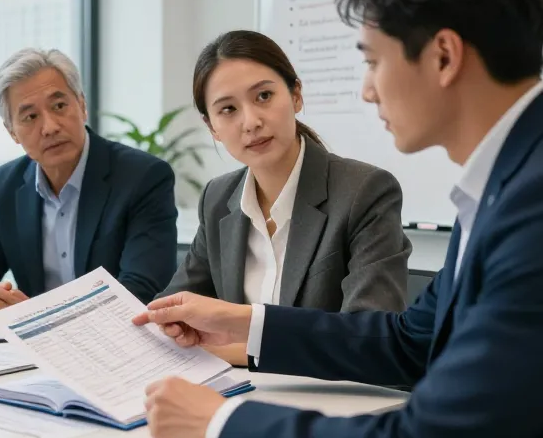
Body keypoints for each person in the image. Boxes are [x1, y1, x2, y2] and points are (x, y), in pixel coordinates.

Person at [134, 0, 543, 438]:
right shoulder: (507, 183)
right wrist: (241, 322)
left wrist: (220, 423)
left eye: (374, 60)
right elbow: (407, 343)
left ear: (443, 56)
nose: (367, 89)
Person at [156, 30, 411, 366]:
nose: (251, 122)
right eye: (228, 109)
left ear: (295, 95)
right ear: (212, 128)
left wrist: (232, 350)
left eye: (263, 96)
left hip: (332, 403)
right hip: (236, 394)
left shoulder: (365, 191)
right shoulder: (218, 198)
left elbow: (367, 337)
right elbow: (172, 310)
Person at [0, 48, 178, 327]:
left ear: (81, 106)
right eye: (30, 117)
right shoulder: (5, 185)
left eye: (59, 106)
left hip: (115, 347)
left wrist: (41, 317)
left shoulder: (142, 176)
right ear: (12, 132)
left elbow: (140, 288)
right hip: (33, 355)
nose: (50, 127)